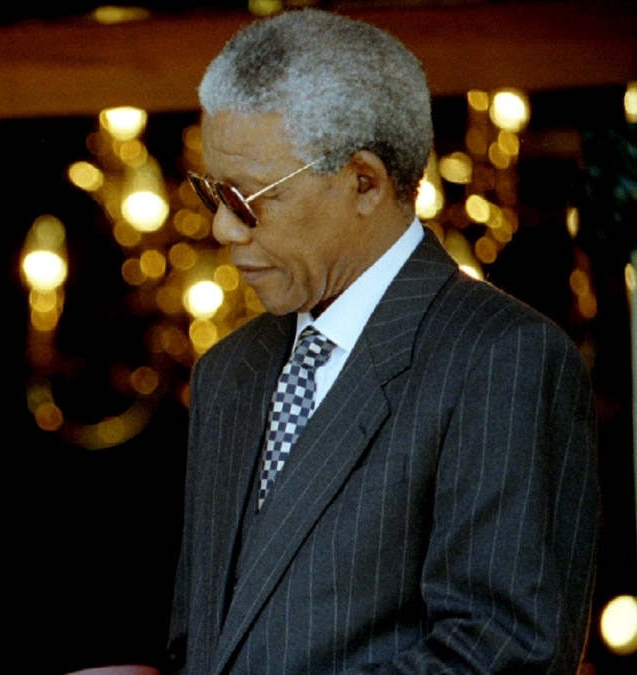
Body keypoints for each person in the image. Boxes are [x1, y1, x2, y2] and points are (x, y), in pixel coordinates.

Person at [167, 9, 599, 674]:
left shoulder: (502, 358)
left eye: (246, 199)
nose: (223, 228)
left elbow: (505, 654)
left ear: (364, 183)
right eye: (210, 192)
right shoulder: (231, 368)